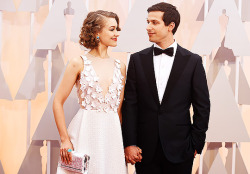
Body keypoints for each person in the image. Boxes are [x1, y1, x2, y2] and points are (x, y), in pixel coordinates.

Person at [122, 2, 210, 174]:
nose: (148, 27)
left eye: (154, 22)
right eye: (147, 22)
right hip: (144, 149)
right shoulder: (136, 60)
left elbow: (202, 106)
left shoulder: (193, 62)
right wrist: (130, 143)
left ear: (171, 26)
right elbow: (130, 105)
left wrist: (195, 144)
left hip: (181, 148)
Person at [53, 10, 127, 174]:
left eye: (117, 29)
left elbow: (119, 110)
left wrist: (119, 141)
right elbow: (57, 101)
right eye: (112, 29)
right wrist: (65, 140)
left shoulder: (120, 66)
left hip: (111, 136)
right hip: (84, 132)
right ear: (97, 32)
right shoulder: (78, 63)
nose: (117, 34)